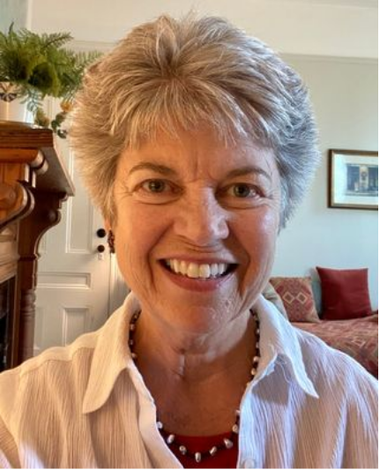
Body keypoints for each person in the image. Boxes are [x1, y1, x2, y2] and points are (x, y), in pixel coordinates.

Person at [0, 13, 377, 469]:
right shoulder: (18, 420)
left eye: (242, 190)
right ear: (110, 212)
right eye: (157, 185)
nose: (201, 230)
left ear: (281, 212)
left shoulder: (360, 412)